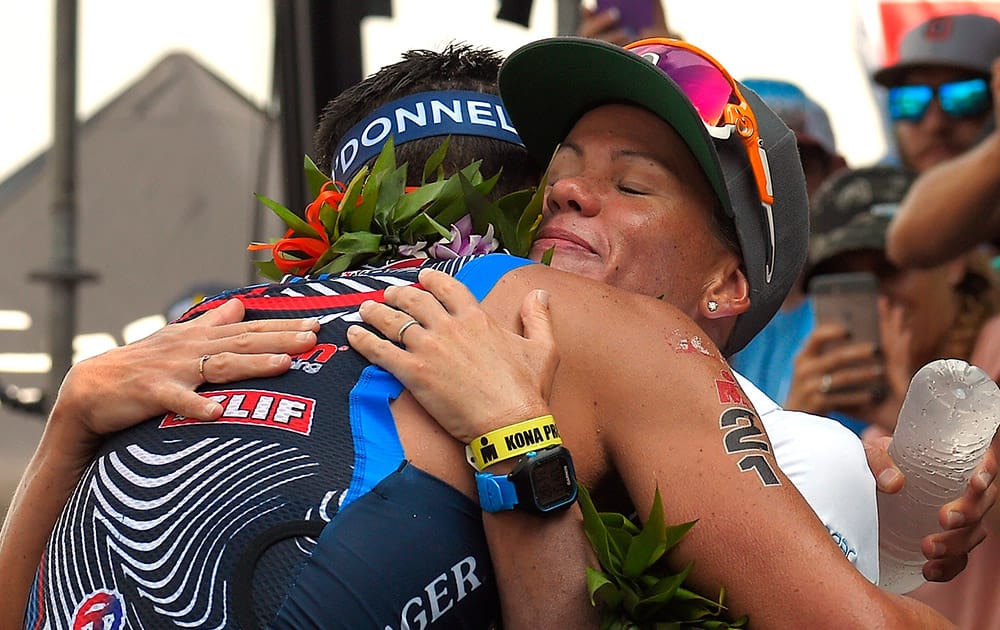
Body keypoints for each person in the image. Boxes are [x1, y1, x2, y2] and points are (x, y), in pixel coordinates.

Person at [0, 40, 990, 628]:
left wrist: (518, 446)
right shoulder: (223, 339)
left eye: (631, 184)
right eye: (558, 167)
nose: (570, 189)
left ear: (732, 279)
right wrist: (69, 425)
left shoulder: (680, 382)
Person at [785, 166, 1000, 433]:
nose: (878, 304)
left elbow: (983, 473)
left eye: (888, 269)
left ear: (953, 259)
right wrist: (793, 428)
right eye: (848, 285)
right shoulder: (875, 435)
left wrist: (904, 407)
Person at [729, 78, 847, 404]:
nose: (768, 186)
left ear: (835, 175)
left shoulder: (881, 300)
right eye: (741, 162)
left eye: (794, 163)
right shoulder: (696, 308)